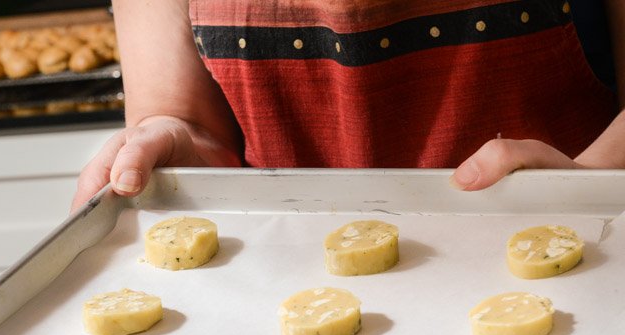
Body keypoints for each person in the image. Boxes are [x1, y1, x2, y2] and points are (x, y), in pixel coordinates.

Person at [71, 0, 625, 211]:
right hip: (281, 310)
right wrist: (168, 142)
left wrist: (592, 180)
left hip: (573, 273)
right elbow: (188, 122)